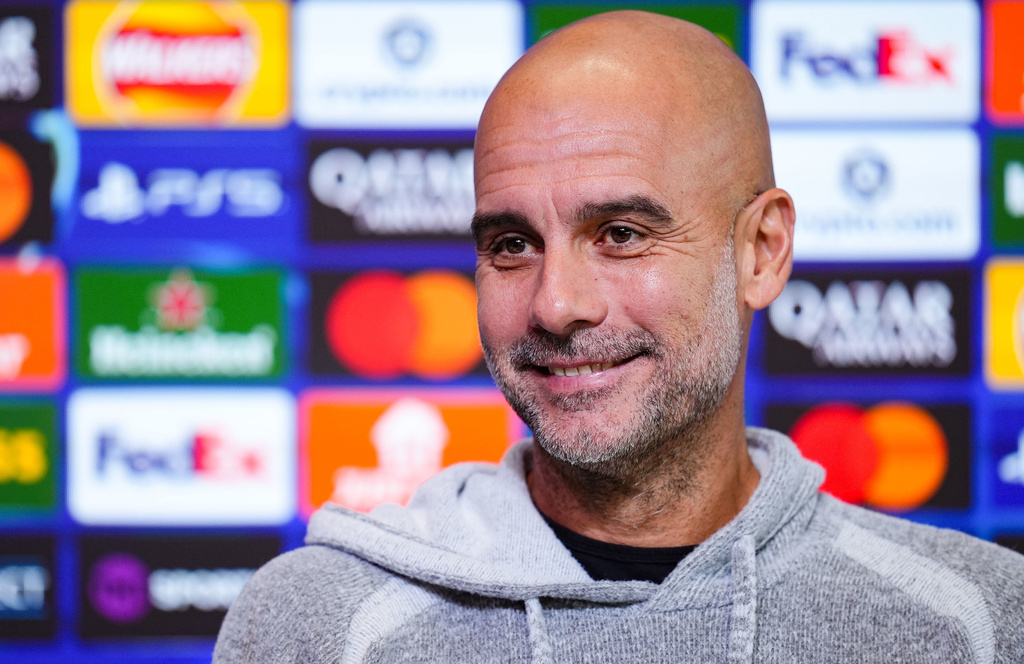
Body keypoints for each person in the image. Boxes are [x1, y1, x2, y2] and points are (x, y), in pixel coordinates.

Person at [214, 11, 1024, 663]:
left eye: (623, 234)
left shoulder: (975, 622)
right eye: (511, 245)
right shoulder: (315, 626)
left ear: (762, 251)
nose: (555, 305)